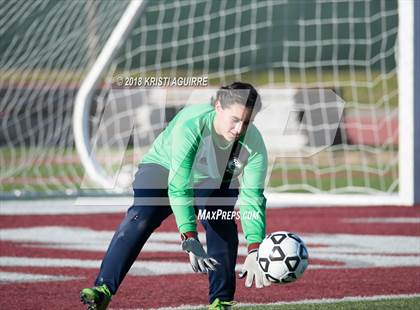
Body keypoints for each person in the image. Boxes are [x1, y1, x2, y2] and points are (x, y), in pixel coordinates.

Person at [80, 82, 271, 310]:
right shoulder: (191, 125)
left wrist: (255, 247)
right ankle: (103, 289)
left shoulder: (254, 144)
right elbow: (179, 187)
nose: (240, 129)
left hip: (213, 177)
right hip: (164, 167)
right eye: (235, 119)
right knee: (142, 216)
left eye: (247, 122)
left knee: (220, 221)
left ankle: (221, 301)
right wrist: (188, 235)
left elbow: (253, 199)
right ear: (218, 107)